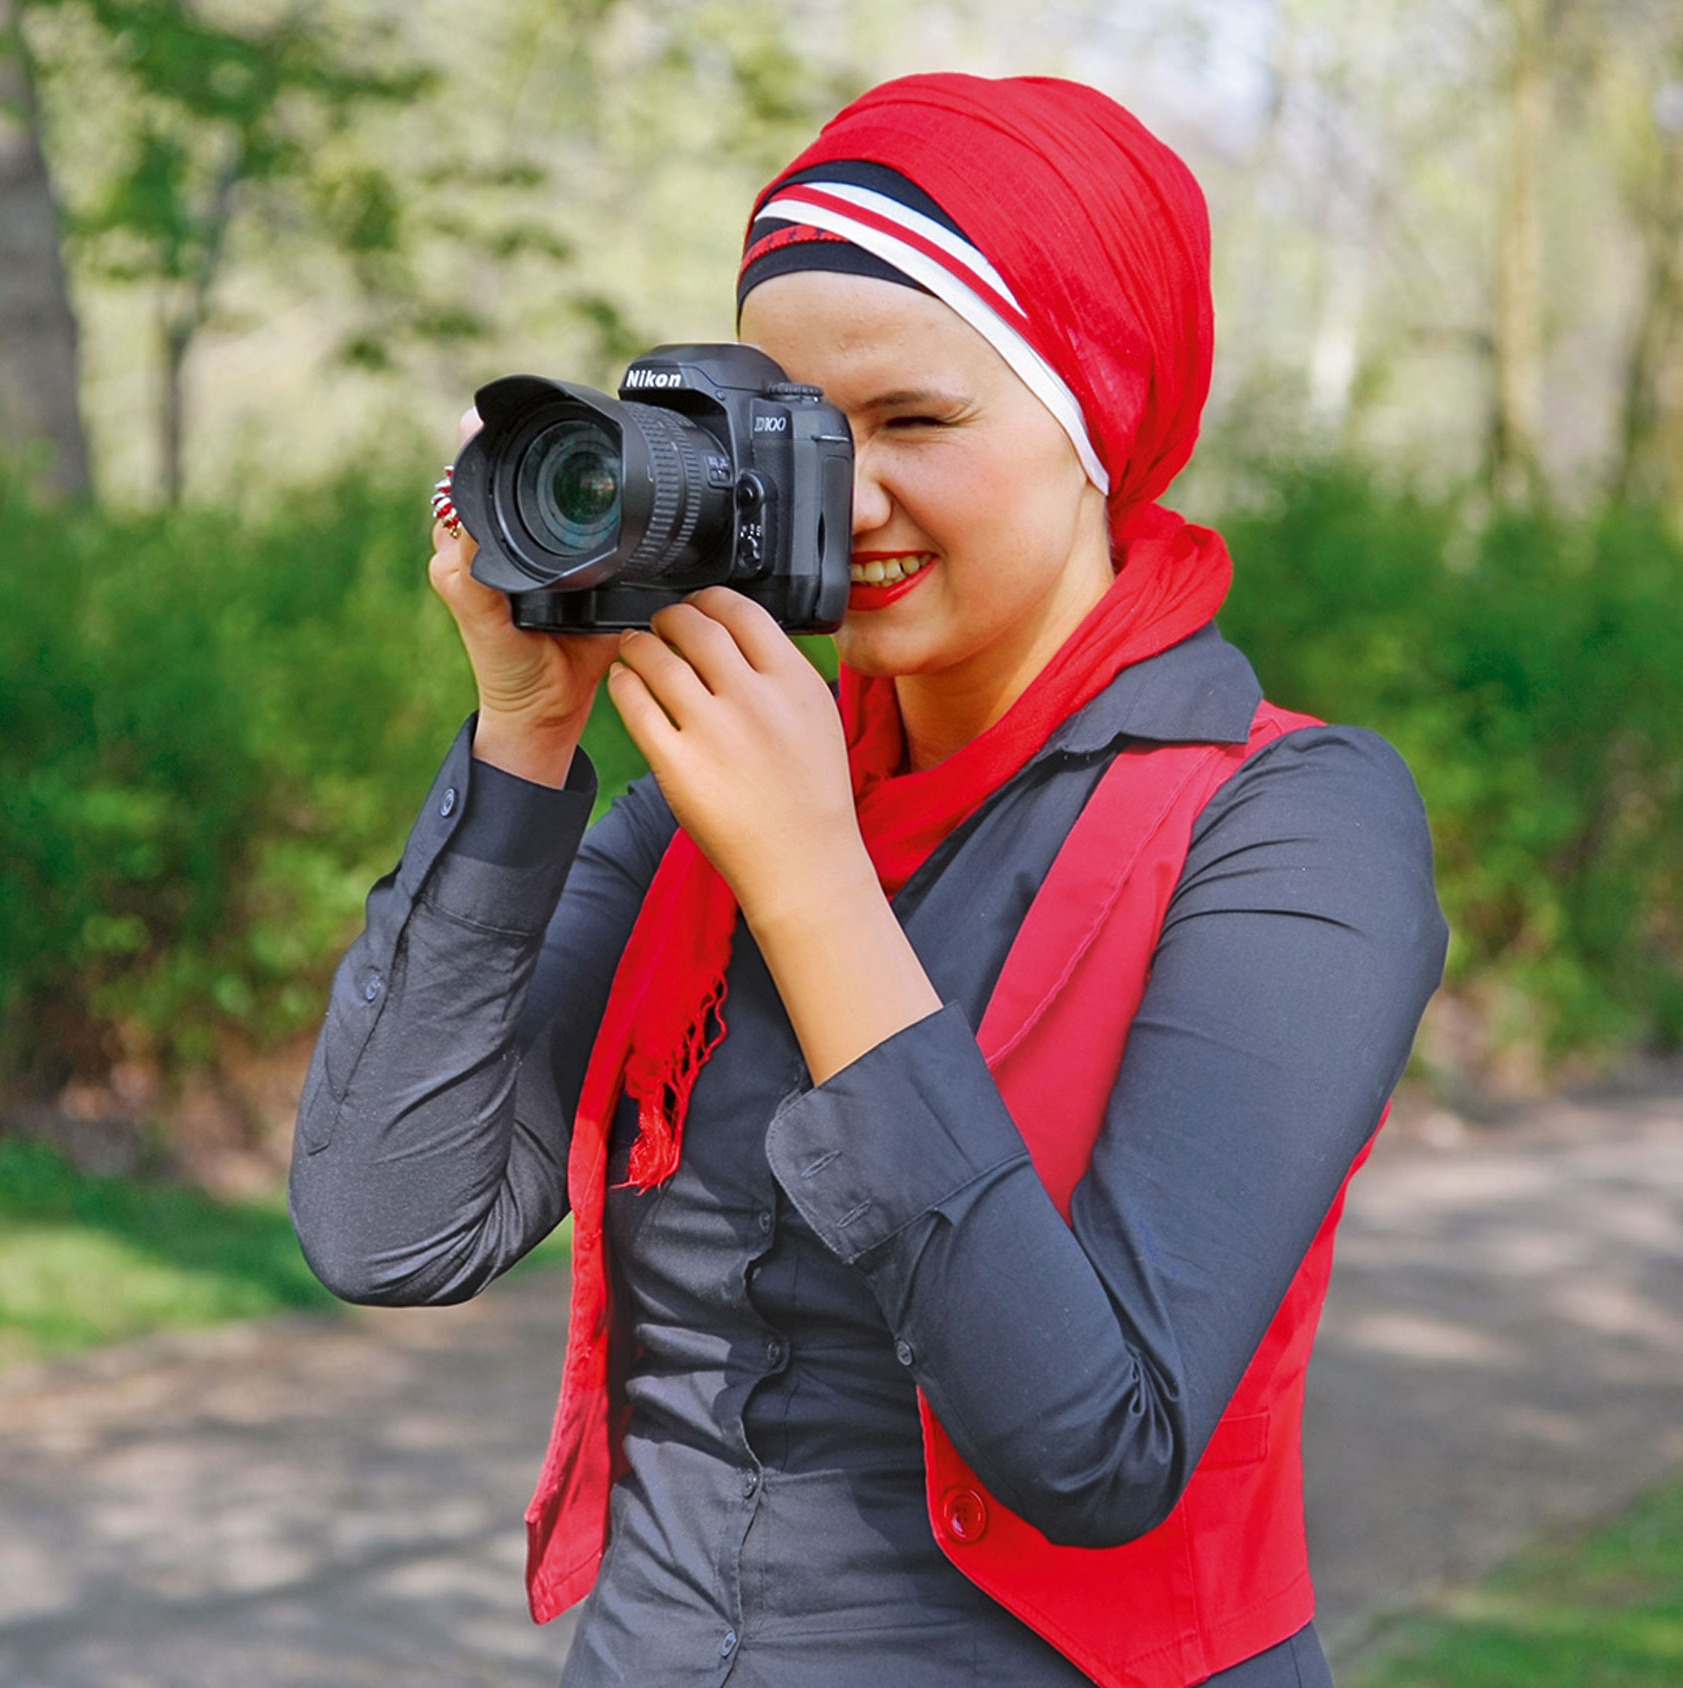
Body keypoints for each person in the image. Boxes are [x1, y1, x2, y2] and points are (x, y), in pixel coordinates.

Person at [290, 72, 1447, 1688]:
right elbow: (386, 1230)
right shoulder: (711, 802)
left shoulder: (1287, 824)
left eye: (918, 422)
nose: (853, 498)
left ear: (1098, 429)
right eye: (798, 432)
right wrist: (525, 737)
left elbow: (1099, 1446)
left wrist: (817, 889)